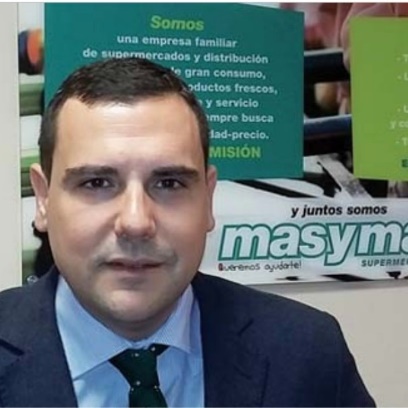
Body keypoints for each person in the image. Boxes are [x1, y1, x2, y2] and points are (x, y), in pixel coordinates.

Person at [0, 57, 375, 407]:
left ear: (208, 198)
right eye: (97, 183)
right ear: (44, 199)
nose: (136, 222)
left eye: (169, 183)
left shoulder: (308, 353)